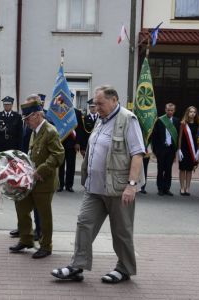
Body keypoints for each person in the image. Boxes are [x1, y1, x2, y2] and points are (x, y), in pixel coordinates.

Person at [51, 85, 145, 283]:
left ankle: (124, 268)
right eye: (96, 103)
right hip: (94, 187)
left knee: (121, 230)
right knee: (84, 224)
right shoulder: (101, 121)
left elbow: (137, 154)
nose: (97, 107)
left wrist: (131, 185)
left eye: (100, 103)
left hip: (118, 188)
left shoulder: (128, 120)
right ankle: (77, 266)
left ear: (114, 100)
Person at [9, 94, 64, 259]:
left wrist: (41, 170)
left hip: (44, 181)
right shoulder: (35, 130)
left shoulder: (50, 131)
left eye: (28, 119)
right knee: (21, 205)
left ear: (38, 115)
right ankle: (26, 239)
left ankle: (46, 246)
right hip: (31, 179)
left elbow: (58, 155)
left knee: (44, 215)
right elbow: (32, 153)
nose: (26, 122)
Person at [151, 103, 180, 196]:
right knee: (160, 170)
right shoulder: (159, 121)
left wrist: (176, 150)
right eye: (168, 110)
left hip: (171, 149)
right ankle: (160, 189)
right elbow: (154, 136)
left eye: (172, 110)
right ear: (165, 110)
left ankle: (167, 189)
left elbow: (178, 136)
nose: (170, 112)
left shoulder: (176, 121)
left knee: (168, 170)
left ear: (174, 111)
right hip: (161, 149)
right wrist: (156, 150)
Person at [178, 106, 199, 196]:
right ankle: (182, 188)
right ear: (187, 113)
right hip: (183, 149)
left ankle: (188, 188)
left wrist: (198, 151)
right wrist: (179, 150)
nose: (192, 114)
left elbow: (198, 138)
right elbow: (179, 138)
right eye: (191, 112)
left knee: (189, 170)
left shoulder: (197, 124)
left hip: (192, 150)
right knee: (182, 169)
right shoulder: (183, 124)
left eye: (194, 112)